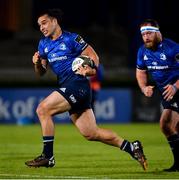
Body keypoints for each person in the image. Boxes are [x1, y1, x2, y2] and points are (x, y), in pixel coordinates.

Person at [25, 8, 147, 170]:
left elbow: (94, 57)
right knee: (91, 133)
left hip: (77, 85)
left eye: (44, 23)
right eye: (39, 25)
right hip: (68, 87)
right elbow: (41, 73)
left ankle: (48, 156)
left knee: (43, 109)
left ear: (54, 21)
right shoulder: (43, 44)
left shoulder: (72, 39)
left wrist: (91, 70)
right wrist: (36, 63)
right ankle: (132, 147)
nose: (41, 27)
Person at [136, 19, 179, 172]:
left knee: (166, 123)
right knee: (173, 127)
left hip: (176, 89)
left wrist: (175, 86)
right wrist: (143, 87)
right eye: (143, 34)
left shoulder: (173, 48)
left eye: (149, 33)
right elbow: (141, 71)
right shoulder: (143, 51)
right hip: (167, 93)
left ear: (158, 32)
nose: (146, 37)